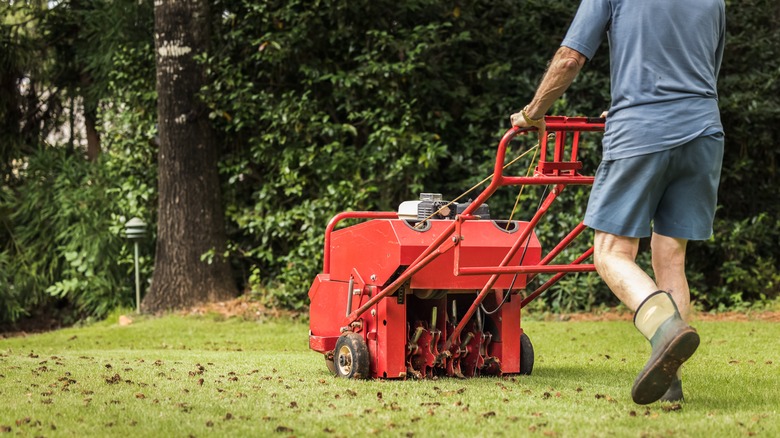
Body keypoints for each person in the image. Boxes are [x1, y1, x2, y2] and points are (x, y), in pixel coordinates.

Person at [510, 0, 725, 405]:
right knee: (671, 259)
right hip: (704, 131)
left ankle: (666, 330)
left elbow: (570, 59)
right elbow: (706, 71)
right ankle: (670, 383)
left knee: (611, 253)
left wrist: (532, 113)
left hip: (642, 131)